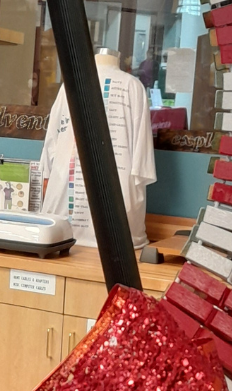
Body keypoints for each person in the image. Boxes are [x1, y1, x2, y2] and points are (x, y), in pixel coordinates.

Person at [39, 51, 156, 248]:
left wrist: (47, 175)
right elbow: (142, 148)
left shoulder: (75, 84)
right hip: (113, 216)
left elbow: (51, 141)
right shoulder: (131, 86)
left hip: (66, 222)